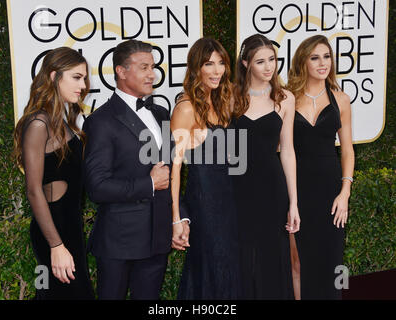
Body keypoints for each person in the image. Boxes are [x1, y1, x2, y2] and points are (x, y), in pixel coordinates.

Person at [83, 40, 183, 300]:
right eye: (143, 67)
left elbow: (171, 173)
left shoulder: (161, 113)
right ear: (121, 71)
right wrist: (148, 184)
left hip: (157, 240)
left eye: (153, 67)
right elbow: (97, 186)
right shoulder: (101, 121)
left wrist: (179, 218)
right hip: (119, 242)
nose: (152, 74)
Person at [13, 47, 95, 299]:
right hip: (53, 232)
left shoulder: (63, 119)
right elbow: (33, 189)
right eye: (76, 77)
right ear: (53, 77)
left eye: (84, 78)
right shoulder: (39, 123)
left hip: (70, 227)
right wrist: (56, 246)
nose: (83, 84)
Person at [170, 37, 240, 299]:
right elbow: (175, 168)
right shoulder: (186, 108)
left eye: (221, 63)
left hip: (230, 197)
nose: (217, 70)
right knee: (211, 266)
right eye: (209, 64)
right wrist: (177, 218)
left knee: (231, 266)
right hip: (204, 201)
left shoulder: (224, 100)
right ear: (196, 68)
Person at [232, 34, 300, 299]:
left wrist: (293, 203)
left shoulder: (285, 98)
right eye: (261, 61)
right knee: (242, 260)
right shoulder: (230, 97)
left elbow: (288, 151)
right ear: (246, 63)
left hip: (272, 190)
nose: (269, 67)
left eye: (272, 59)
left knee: (273, 257)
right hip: (237, 189)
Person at [286, 35, 355, 300]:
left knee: (335, 259)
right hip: (297, 188)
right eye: (315, 57)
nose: (322, 62)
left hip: (331, 191)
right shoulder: (287, 98)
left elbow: (347, 149)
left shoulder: (342, 100)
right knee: (297, 261)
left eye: (326, 56)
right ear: (303, 62)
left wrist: (345, 192)